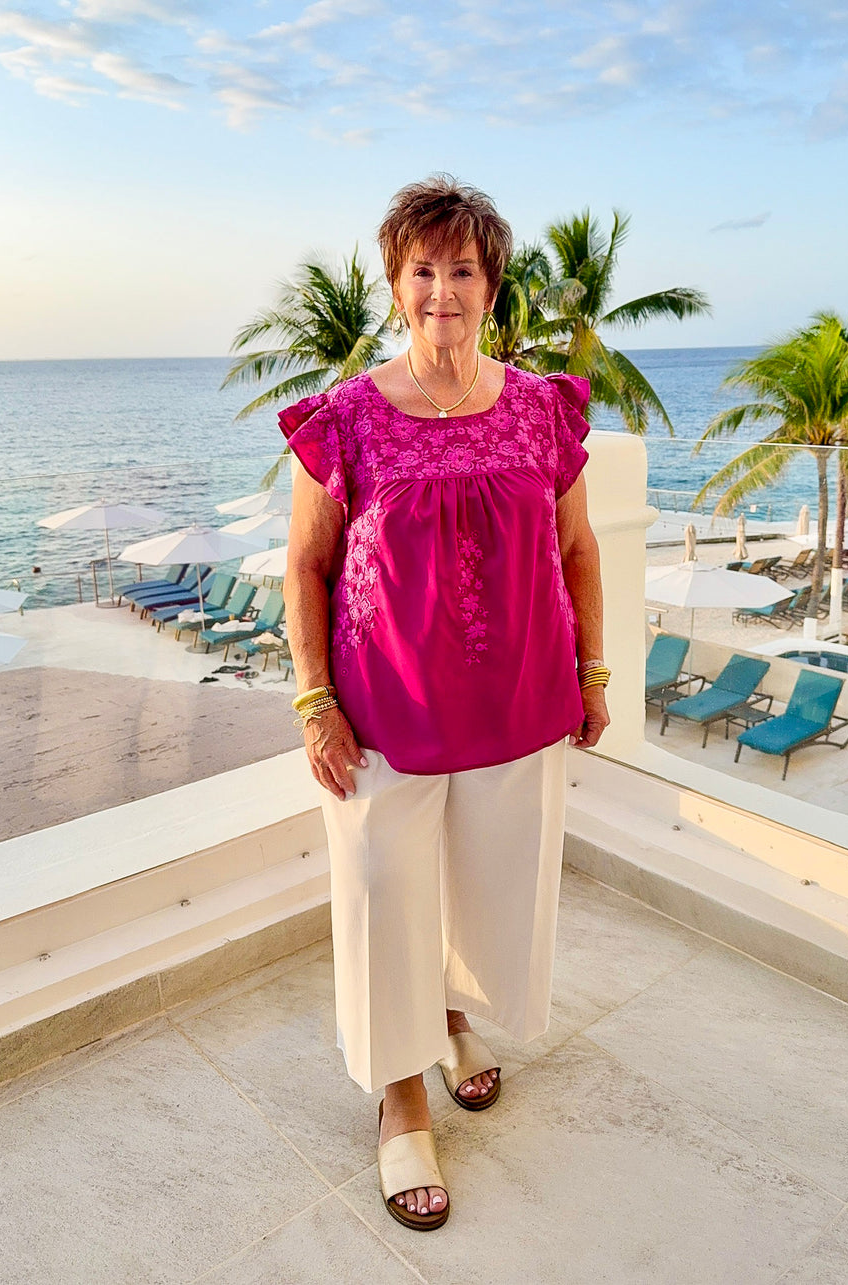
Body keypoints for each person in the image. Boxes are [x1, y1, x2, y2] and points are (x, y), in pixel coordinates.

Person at [280, 175, 609, 1231]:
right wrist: (315, 700)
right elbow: (304, 568)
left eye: (462, 269)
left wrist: (594, 672)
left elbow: (578, 549)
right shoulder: (346, 421)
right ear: (395, 284)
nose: (442, 290)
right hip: (381, 716)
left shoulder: (541, 411)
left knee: (485, 884)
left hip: (519, 703)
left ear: (492, 285)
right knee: (385, 894)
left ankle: (457, 1013)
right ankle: (401, 1092)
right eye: (422, 269)